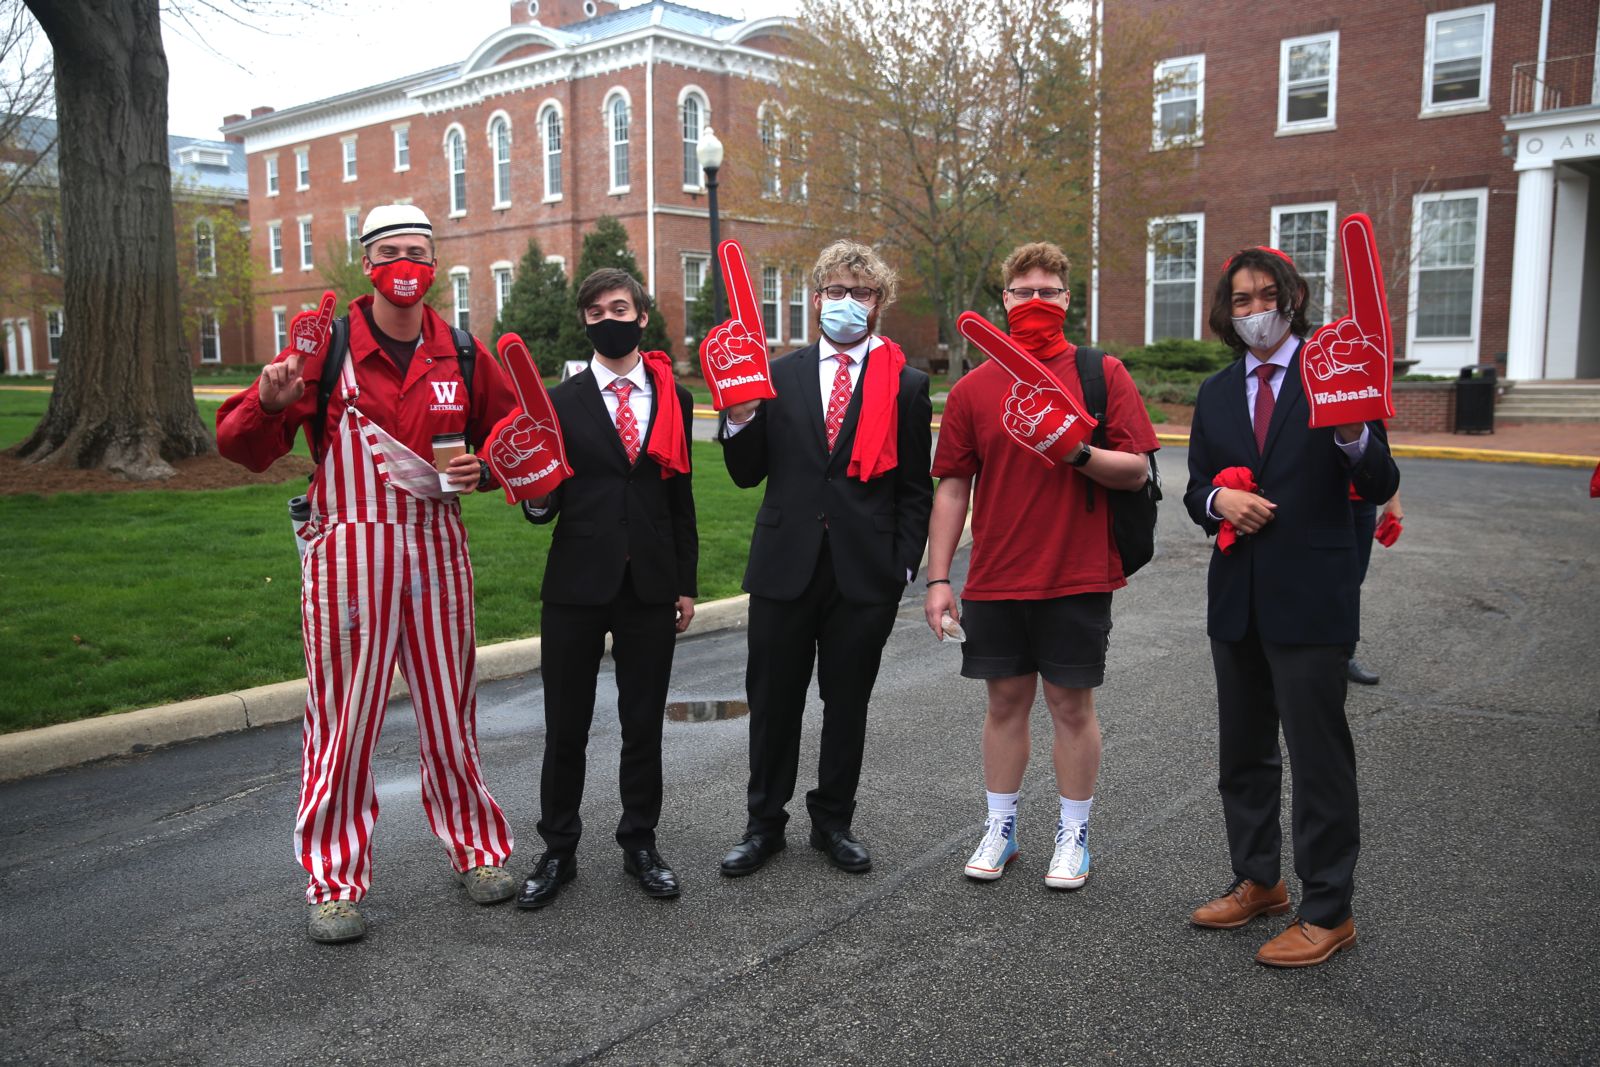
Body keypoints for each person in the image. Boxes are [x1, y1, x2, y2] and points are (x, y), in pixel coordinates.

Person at [216, 204, 519, 944]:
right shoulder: (327, 351)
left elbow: (513, 444)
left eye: (418, 250)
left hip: (437, 551)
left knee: (452, 711)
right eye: (390, 251)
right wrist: (267, 399)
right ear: (368, 262)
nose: (405, 263)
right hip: (349, 554)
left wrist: (484, 473)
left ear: (435, 263)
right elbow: (241, 447)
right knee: (343, 721)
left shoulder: (463, 354)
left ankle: (479, 851)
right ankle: (333, 881)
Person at [1183, 246, 1399, 968]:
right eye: (1239, 301)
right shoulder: (1216, 392)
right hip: (1237, 598)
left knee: (1318, 759)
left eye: (1265, 296)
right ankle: (1260, 878)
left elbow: (1378, 479)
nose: (1254, 312)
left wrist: (1349, 430)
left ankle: (1329, 909)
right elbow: (1193, 489)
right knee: (1243, 752)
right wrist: (1220, 498)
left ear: (1294, 297)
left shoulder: (1334, 373)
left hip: (1312, 598)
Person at [923, 242, 1159, 889]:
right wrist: (940, 577)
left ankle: (1073, 834)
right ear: (1004, 300)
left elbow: (1136, 468)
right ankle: (1000, 827)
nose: (1035, 302)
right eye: (1023, 291)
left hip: (1077, 570)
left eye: (1048, 291)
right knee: (1004, 702)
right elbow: (951, 487)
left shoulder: (1099, 373)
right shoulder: (974, 388)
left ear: (1067, 299)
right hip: (998, 573)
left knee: (1070, 705)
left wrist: (1076, 450)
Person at [716, 240, 932, 878]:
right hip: (785, 563)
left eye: (860, 293)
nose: (846, 302)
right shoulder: (774, 375)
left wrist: (901, 566)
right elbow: (744, 472)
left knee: (847, 704)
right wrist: (738, 414)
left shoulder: (907, 384)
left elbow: (915, 488)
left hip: (865, 571)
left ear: (879, 304)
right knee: (774, 700)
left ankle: (833, 822)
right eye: (835, 290)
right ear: (816, 298)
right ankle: (764, 825)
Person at [515, 268, 698, 910]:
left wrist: (685, 583)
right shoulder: (559, 404)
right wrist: (533, 497)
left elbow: (680, 498)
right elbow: (545, 496)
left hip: (649, 583)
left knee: (641, 723)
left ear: (641, 316)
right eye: (594, 312)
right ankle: (557, 847)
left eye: (618, 308)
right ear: (585, 323)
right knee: (566, 725)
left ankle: (640, 843)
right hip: (576, 584)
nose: (607, 319)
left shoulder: (670, 395)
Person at [1347, 488, 1402, 685]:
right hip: (1323, 500)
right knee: (1319, 582)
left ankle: (1345, 657)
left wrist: (1393, 500)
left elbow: (1385, 456)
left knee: (1353, 584)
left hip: (1365, 500)